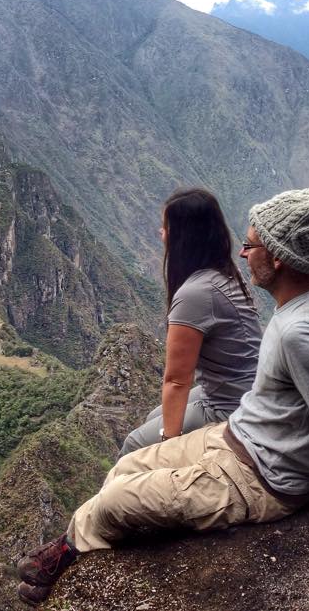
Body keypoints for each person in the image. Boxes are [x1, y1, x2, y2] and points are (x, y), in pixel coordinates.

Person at [16, 182, 309, 605]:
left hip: (261, 479)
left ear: (278, 258)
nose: (244, 254)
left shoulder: (301, 334)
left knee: (113, 501)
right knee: (127, 464)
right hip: (236, 435)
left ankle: (66, 556)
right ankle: (78, 542)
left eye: (252, 246)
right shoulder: (308, 300)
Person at [118, 187, 261, 457]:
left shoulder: (196, 294)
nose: (160, 233)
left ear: (183, 237)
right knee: (154, 415)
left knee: (134, 445)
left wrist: (170, 444)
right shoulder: (225, 274)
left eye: (165, 227)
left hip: (231, 406)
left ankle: (124, 496)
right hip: (244, 391)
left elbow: (177, 380)